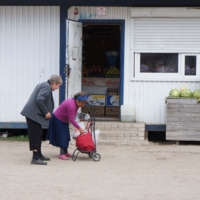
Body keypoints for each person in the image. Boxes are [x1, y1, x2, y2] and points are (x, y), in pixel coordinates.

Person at [21, 75, 63, 165]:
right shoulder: (46, 87)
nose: (57, 88)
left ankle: (39, 154)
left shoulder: (44, 85)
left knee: (38, 133)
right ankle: (35, 158)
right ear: (54, 83)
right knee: (35, 135)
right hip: (33, 115)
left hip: (33, 114)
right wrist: (46, 112)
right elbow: (39, 99)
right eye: (58, 86)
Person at [46, 92, 87, 160]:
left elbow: (73, 114)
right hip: (58, 119)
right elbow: (71, 119)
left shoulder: (74, 102)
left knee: (66, 136)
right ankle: (62, 154)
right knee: (62, 136)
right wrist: (79, 128)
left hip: (64, 120)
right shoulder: (72, 105)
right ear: (77, 100)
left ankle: (66, 152)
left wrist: (79, 118)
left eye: (84, 103)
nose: (82, 105)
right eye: (81, 103)